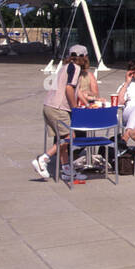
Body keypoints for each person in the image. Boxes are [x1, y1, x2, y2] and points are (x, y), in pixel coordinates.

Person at [33, 44, 88, 179]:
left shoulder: (64, 68)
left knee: (63, 140)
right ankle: (43, 159)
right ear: (83, 57)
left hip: (49, 106)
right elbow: (69, 88)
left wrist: (87, 103)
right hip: (58, 108)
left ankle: (67, 170)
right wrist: (75, 108)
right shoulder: (75, 68)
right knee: (70, 137)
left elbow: (76, 90)